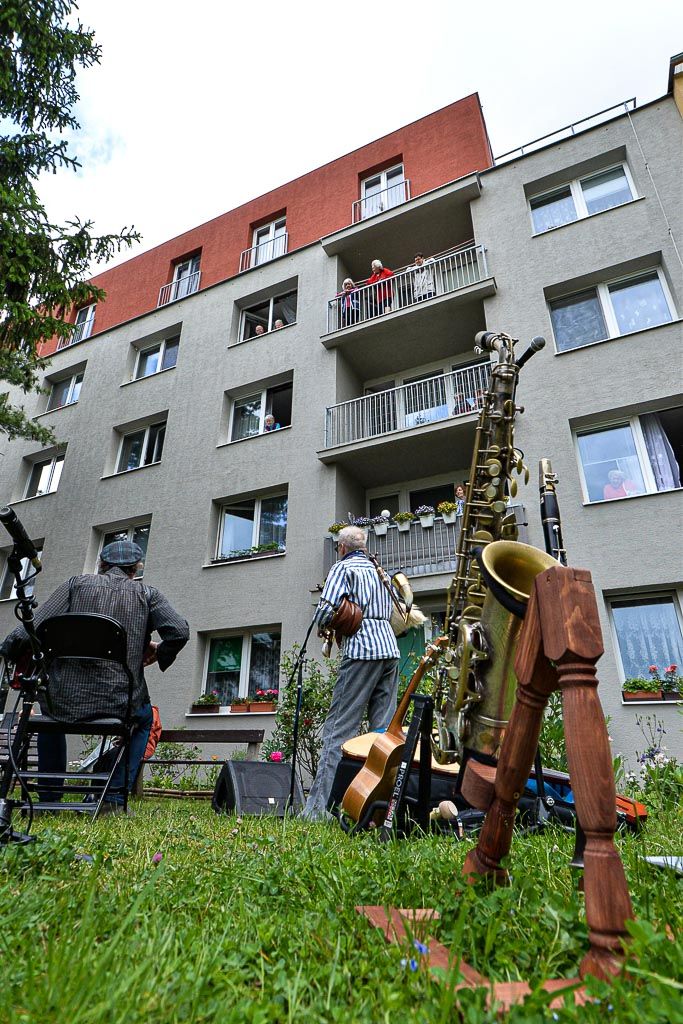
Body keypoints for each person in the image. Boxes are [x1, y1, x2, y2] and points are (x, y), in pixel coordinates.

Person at [0, 539, 189, 812]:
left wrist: (8, 649)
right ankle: (112, 798)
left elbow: (31, 627)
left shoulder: (74, 585)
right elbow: (179, 632)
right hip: (119, 703)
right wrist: (157, 653)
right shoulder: (148, 595)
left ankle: (49, 797)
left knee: (47, 713)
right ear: (135, 569)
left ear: (101, 565)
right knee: (146, 719)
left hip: (62, 699)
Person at [302, 525, 400, 821]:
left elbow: (324, 611)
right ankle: (374, 811)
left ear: (342, 547)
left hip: (362, 652)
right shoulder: (379, 570)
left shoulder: (342, 568)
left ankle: (319, 811)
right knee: (383, 737)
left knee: (338, 731)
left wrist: (332, 622)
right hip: (389, 650)